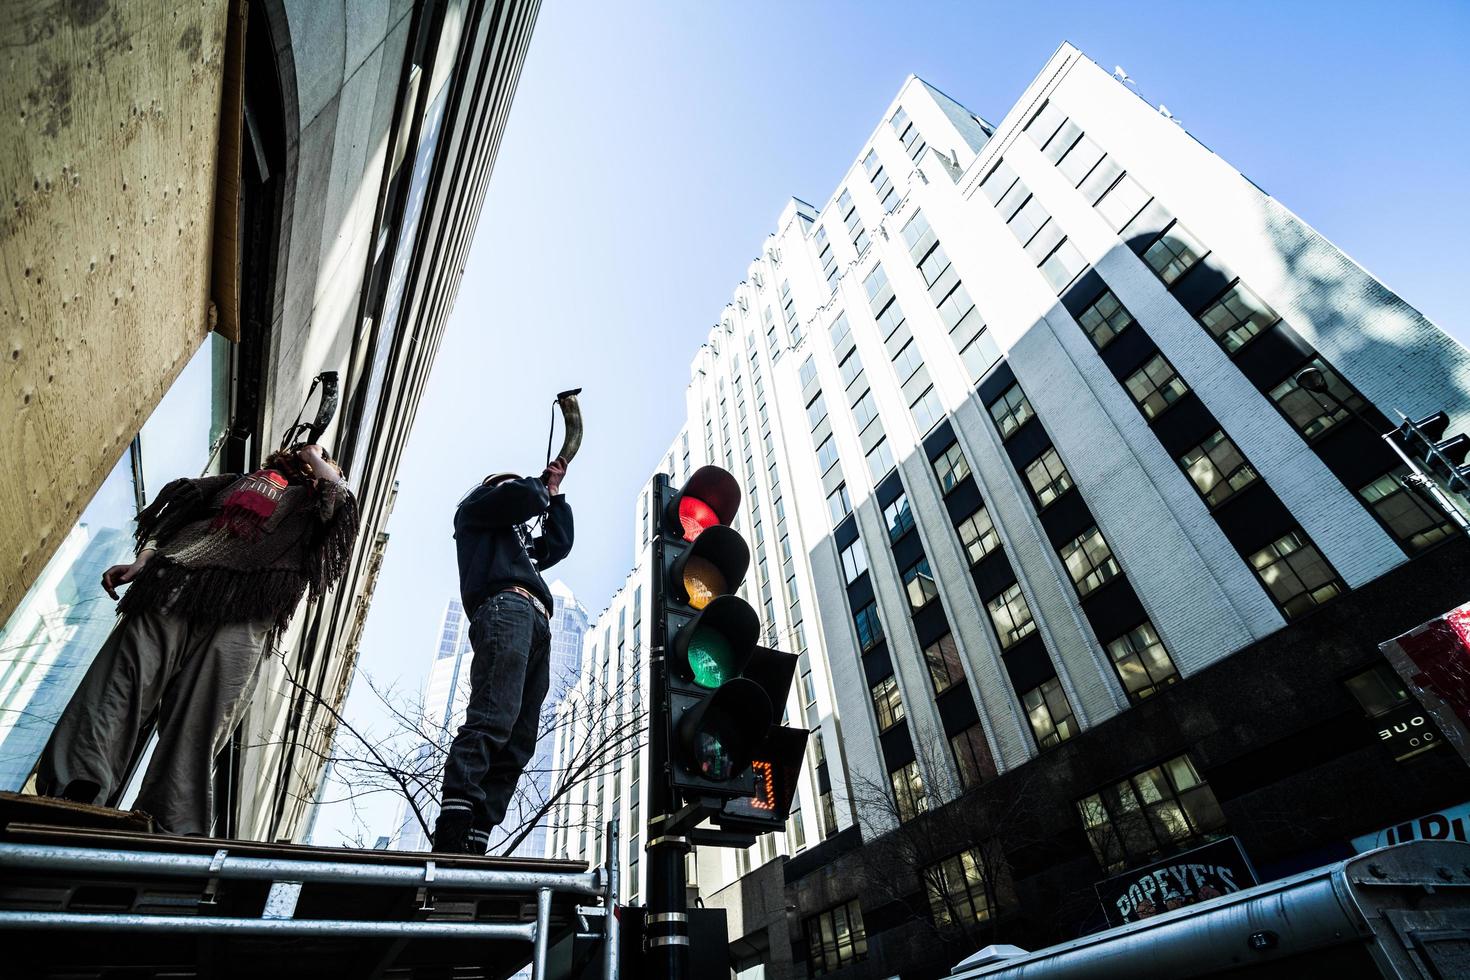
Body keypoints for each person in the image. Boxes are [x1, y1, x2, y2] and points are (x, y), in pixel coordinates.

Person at [35, 444, 359, 836]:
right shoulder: (235, 483)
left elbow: (339, 499)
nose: (307, 456)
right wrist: (143, 560)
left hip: (247, 607)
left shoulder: (314, 500)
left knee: (203, 714)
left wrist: (314, 455)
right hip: (176, 582)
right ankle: (76, 787)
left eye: (320, 457)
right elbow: (172, 520)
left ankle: (168, 820)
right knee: (121, 681)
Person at [434, 456, 572, 854]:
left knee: (519, 738)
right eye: (508, 486)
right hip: (504, 608)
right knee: (492, 717)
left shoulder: (520, 547)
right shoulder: (475, 512)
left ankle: (477, 835)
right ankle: (454, 826)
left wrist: (555, 497)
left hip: (537, 621)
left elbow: (559, 543)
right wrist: (536, 486)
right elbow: (520, 497)